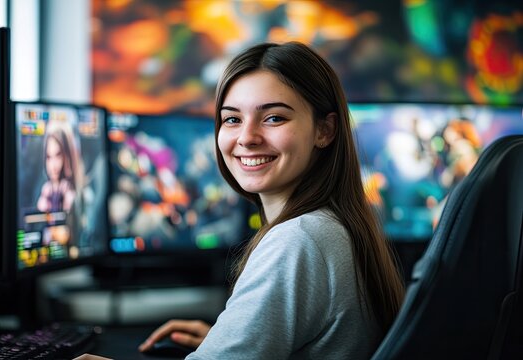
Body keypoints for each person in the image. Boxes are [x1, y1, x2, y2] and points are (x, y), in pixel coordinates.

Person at [139, 41, 405, 359]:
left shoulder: (299, 239)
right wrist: (227, 337)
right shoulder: (335, 223)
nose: (247, 137)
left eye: (274, 118)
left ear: (325, 130)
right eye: (232, 119)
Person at [37, 119, 82, 213]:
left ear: (68, 155)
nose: (53, 166)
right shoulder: (47, 190)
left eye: (58, 155)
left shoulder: (76, 194)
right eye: (49, 157)